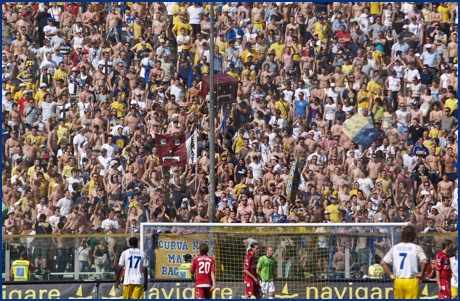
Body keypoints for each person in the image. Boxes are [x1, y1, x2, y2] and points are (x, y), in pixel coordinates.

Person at [381, 225, 428, 299]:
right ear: (413, 236)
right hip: (411, 280)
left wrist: (391, 276)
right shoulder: (416, 248)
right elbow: (425, 261)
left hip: (398, 281)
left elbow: (383, 263)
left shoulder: (395, 247)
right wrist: (421, 274)